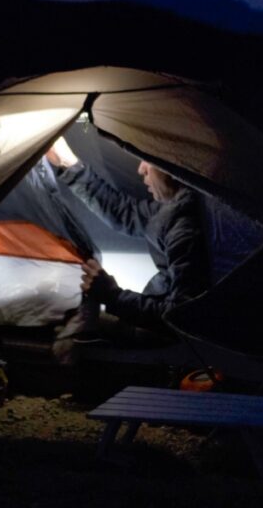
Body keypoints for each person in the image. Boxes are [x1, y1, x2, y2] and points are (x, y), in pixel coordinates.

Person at [44, 137, 209, 357]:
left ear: (172, 167)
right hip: (156, 313)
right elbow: (123, 213)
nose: (141, 170)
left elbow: (181, 316)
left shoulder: (186, 229)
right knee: (78, 325)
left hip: (171, 340)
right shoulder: (173, 208)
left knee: (74, 345)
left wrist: (113, 295)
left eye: (148, 161)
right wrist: (70, 164)